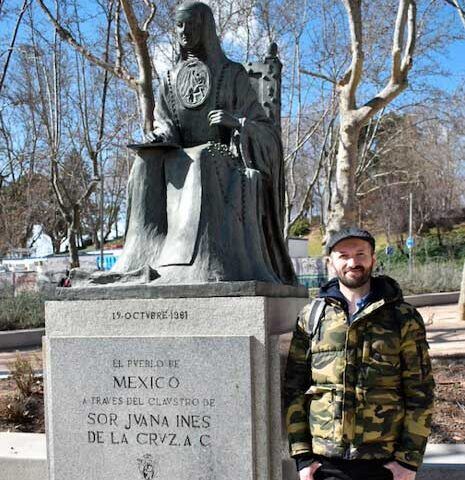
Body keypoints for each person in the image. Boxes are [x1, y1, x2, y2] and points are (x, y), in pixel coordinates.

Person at [111, 1, 296, 285]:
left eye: (191, 24)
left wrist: (236, 122)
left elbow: (265, 130)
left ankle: (194, 264)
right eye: (179, 25)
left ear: (205, 27)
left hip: (223, 158)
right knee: (144, 163)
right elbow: (166, 122)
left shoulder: (232, 74)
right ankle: (138, 256)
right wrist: (160, 136)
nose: (184, 31)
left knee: (201, 158)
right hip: (180, 155)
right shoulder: (169, 78)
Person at [284, 227, 434, 480]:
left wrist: (408, 461)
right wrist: (303, 457)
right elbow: (294, 388)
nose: (353, 262)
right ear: (330, 262)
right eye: (343, 255)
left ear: (373, 259)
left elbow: (420, 390)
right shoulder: (312, 316)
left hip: (384, 463)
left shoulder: (402, 317)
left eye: (360, 254)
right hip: (326, 463)